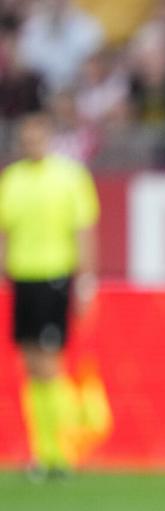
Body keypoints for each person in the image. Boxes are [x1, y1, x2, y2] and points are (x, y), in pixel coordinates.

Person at [0, 112, 99, 478]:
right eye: (25, 138)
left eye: (37, 137)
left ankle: (62, 450)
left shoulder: (69, 177)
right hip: (22, 278)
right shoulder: (12, 180)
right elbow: (5, 232)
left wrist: (86, 282)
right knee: (29, 364)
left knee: (48, 363)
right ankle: (42, 451)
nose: (30, 144)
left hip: (55, 276)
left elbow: (84, 231)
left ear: (50, 138)